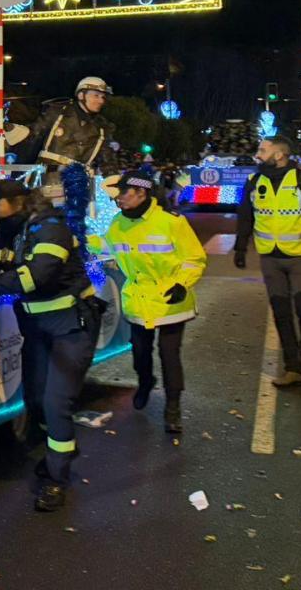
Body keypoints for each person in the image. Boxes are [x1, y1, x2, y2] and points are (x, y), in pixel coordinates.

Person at [0, 178, 99, 512]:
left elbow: (38, 275)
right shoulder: (10, 230)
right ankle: (59, 449)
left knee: (56, 402)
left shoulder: (51, 228)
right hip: (36, 326)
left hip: (71, 327)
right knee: (35, 399)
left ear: (17, 201)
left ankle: (56, 478)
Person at [92, 170, 205, 434]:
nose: (118, 198)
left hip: (170, 301)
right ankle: (145, 382)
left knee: (169, 355)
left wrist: (182, 284)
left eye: (123, 193)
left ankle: (173, 407)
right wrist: (76, 239)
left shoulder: (171, 222)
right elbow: (106, 248)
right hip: (138, 300)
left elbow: (194, 258)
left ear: (142, 193)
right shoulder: (118, 224)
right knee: (141, 352)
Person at [234, 136, 301, 388]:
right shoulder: (254, 182)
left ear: (279, 155)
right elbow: (245, 216)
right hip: (271, 259)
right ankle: (293, 368)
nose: (258, 155)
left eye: (262, 150)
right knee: (281, 314)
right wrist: (240, 248)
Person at [11, 77, 119, 199]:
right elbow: (34, 134)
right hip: (48, 176)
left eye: (103, 97)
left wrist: (113, 180)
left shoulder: (102, 127)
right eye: (96, 95)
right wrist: (13, 131)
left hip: (78, 182)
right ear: (81, 95)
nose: (101, 101)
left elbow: (107, 159)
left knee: (74, 216)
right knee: (44, 213)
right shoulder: (57, 112)